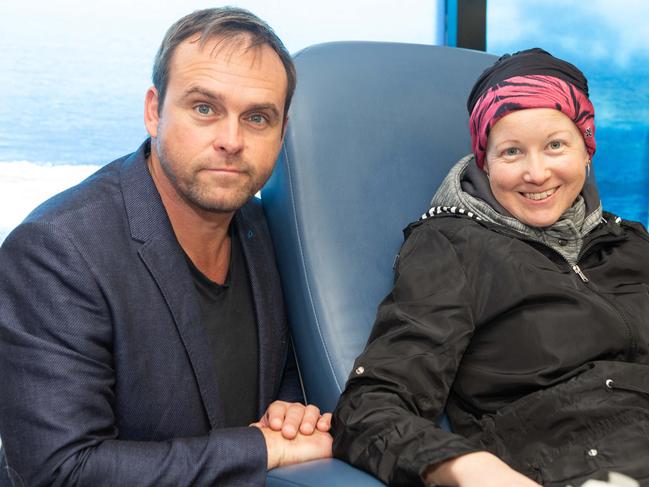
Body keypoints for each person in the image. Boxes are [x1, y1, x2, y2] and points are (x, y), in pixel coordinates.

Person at [0, 7, 332, 486]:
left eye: (258, 118)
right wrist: (260, 447)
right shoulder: (57, 251)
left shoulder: (268, 228)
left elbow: (283, 366)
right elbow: (61, 473)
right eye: (204, 108)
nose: (231, 140)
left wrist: (289, 412)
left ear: (282, 132)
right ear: (154, 110)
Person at [332, 48, 649, 487]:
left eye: (556, 145)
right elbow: (369, 408)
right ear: (485, 160)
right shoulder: (452, 246)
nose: (536, 173)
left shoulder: (628, 241)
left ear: (586, 150)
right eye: (512, 152)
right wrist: (473, 470)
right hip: (578, 467)